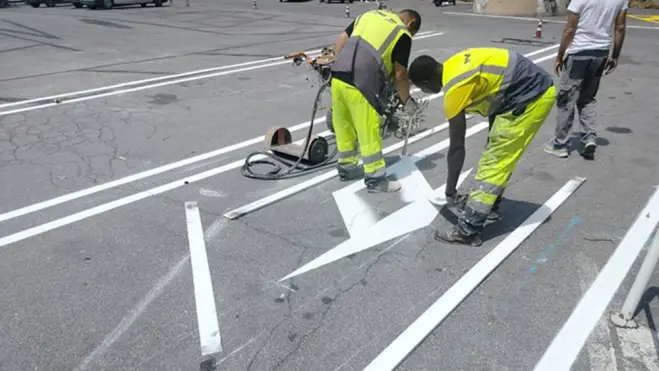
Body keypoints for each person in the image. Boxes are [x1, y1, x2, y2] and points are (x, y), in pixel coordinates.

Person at [408, 48, 556, 246]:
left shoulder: (455, 90)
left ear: (427, 83)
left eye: (420, 88)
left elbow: (457, 148)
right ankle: (490, 205)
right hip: (522, 90)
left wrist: (450, 191)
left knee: (494, 161)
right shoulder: (453, 63)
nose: (423, 92)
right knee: (497, 153)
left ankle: (469, 229)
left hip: (529, 97)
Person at [330, 9, 421, 193]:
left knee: (344, 126)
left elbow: (342, 39)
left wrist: (339, 65)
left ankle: (347, 169)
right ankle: (376, 179)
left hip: (338, 77)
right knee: (368, 130)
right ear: (411, 24)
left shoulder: (368, 15)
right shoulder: (402, 33)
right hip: (363, 83)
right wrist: (407, 101)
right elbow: (400, 74)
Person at [544, 0, 628, 158]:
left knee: (566, 99)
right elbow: (620, 28)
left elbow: (569, 29)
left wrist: (560, 55)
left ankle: (560, 144)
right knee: (588, 98)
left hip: (579, 53)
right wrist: (615, 55)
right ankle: (589, 136)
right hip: (601, 52)